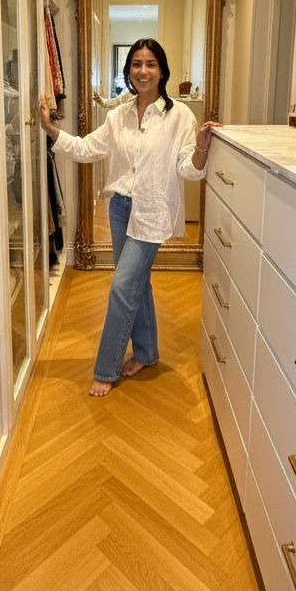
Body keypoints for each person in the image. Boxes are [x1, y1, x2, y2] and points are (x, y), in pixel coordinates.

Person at [39, 38, 221, 397]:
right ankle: (146, 353)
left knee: (122, 288)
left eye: (151, 64)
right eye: (136, 64)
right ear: (128, 71)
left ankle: (106, 369)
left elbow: (189, 169)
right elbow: (88, 149)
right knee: (137, 283)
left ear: (162, 71)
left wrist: (201, 148)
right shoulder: (117, 116)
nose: (143, 71)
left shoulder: (179, 115)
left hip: (152, 211)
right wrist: (50, 130)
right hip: (120, 209)